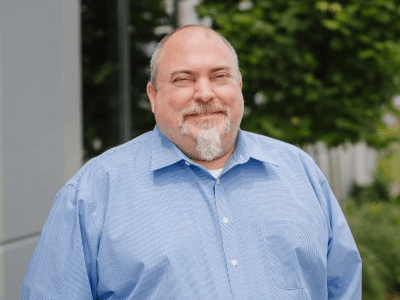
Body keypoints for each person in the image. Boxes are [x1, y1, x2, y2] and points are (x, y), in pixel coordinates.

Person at [21, 24, 361, 299]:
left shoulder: (299, 172)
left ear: (239, 86)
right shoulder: (93, 193)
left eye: (219, 76)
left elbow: (343, 286)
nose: (204, 93)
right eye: (183, 79)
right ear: (153, 96)